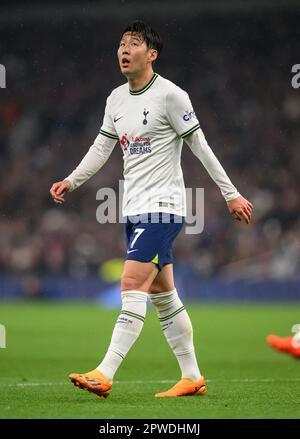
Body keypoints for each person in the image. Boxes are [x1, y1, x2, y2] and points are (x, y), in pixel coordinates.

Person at [50, 20, 253, 399]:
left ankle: (105, 371)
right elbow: (101, 148)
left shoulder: (171, 96)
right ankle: (192, 377)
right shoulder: (116, 100)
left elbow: (201, 147)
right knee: (164, 295)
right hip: (133, 209)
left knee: (130, 284)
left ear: (152, 54)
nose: (124, 50)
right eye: (121, 44)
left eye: (134, 44)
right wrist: (72, 180)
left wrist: (231, 194)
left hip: (164, 208)